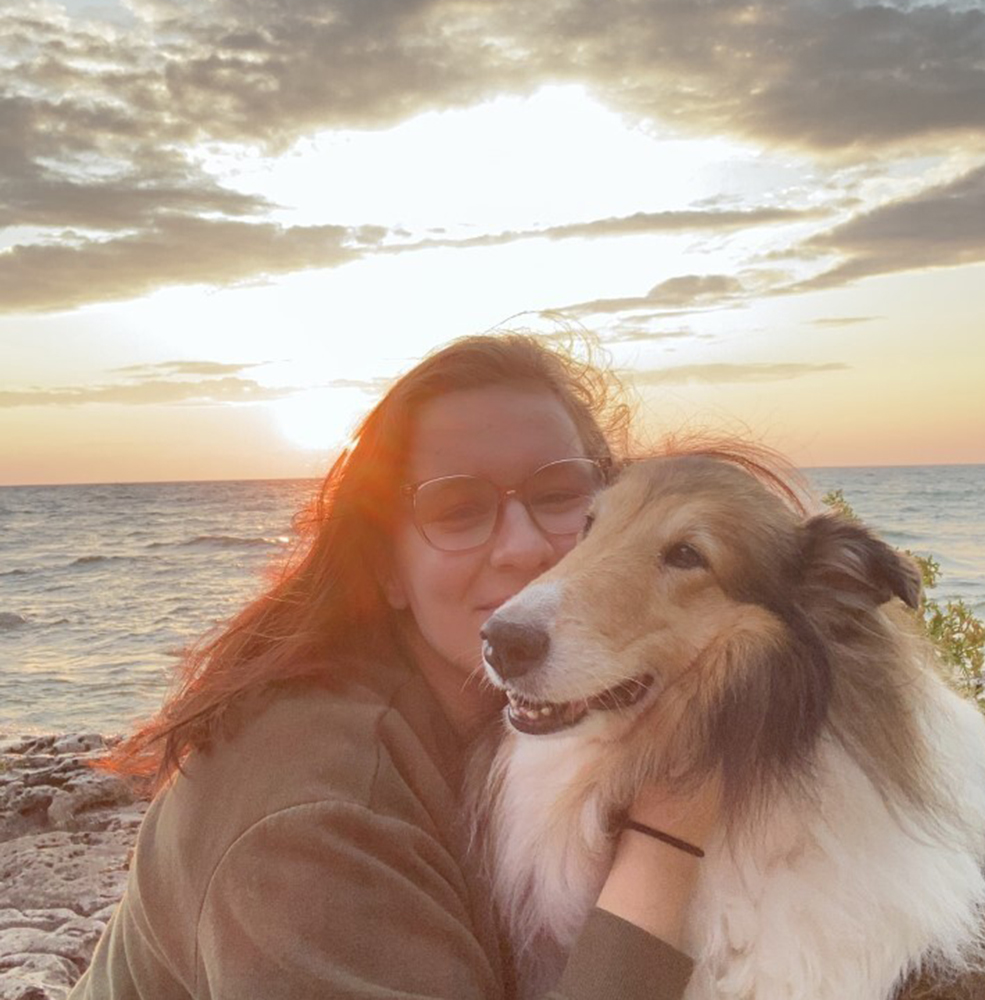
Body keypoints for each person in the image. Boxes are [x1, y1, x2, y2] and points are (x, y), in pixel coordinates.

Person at [69, 333, 719, 1000]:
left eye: (560, 494)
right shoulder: (316, 821)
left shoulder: (534, 730)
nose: (525, 548)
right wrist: (668, 842)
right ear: (385, 568)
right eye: (459, 510)